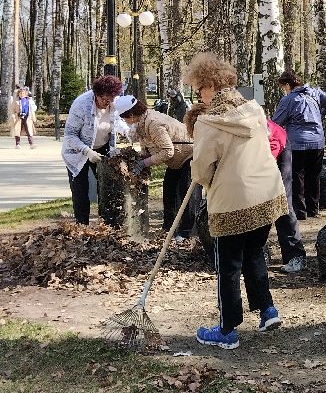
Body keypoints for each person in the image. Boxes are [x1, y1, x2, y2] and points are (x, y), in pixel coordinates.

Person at [186, 51, 288, 350]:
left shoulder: (208, 123)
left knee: (228, 265)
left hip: (233, 200)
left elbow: (201, 168)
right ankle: (267, 310)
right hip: (266, 193)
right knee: (255, 253)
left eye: (199, 90)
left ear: (209, 86)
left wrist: (204, 178)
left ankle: (227, 330)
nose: (199, 96)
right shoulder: (254, 110)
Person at [112, 95, 195, 243]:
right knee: (169, 193)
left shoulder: (154, 123)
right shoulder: (142, 122)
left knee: (185, 194)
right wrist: (141, 158)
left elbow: (167, 151)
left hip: (189, 156)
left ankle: (185, 233)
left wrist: (144, 163)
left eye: (124, 118)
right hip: (175, 161)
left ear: (131, 115)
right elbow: (147, 145)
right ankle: (168, 229)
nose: (124, 121)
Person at [271, 70, 326, 220]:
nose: (284, 90)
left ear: (288, 85)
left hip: (297, 144)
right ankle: (313, 209)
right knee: (314, 177)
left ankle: (300, 212)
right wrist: (321, 112)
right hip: (317, 142)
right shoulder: (315, 93)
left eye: (283, 87)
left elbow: (276, 122)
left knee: (297, 177)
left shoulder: (288, 100)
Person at [61, 75, 127, 225]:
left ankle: (107, 224)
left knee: (107, 186)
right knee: (80, 190)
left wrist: (126, 130)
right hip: (78, 152)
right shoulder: (81, 105)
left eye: (111, 99)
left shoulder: (113, 102)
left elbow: (117, 121)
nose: (108, 103)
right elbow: (70, 135)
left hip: (103, 147)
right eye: (105, 99)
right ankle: (82, 225)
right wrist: (87, 151)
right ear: (97, 94)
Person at [267, 117, 307, 274]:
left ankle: (296, 255)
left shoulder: (255, 126)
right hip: (258, 155)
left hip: (278, 146)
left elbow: (271, 151)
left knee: (282, 200)